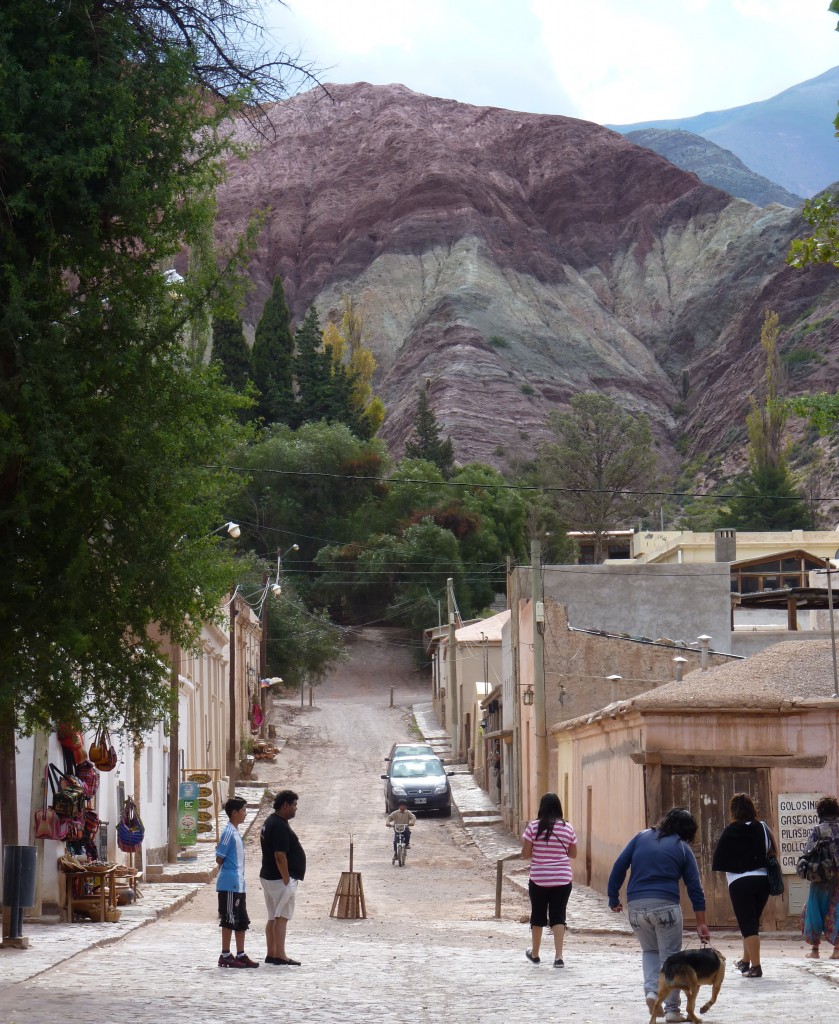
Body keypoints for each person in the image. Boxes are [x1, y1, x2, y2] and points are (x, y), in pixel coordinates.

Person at [608, 807, 710, 1024]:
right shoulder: (682, 847)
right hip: (666, 906)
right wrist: (701, 922)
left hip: (636, 907)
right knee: (671, 958)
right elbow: (695, 887)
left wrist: (613, 897)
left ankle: (652, 992)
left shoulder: (641, 837)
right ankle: (672, 1010)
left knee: (650, 951)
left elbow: (619, 865)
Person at [711, 792, 774, 978]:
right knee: (751, 923)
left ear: (733, 811)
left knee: (748, 925)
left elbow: (719, 857)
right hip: (762, 880)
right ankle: (745, 962)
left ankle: (756, 967)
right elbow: (772, 849)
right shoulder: (762, 827)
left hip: (740, 882)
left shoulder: (730, 830)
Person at [520, 792, 577, 968]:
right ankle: (558, 957)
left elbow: (525, 854)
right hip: (562, 879)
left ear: (541, 807)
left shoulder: (533, 827)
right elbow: (573, 854)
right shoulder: (568, 828)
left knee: (537, 915)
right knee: (558, 916)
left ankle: (535, 954)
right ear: (559, 807)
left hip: (539, 878)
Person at [260, 789, 306, 966]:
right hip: (279, 879)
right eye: (294, 805)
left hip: (269, 876)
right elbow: (280, 855)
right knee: (281, 917)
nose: (296, 808)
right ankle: (280, 954)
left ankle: (271, 953)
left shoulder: (271, 821)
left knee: (273, 916)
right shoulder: (278, 825)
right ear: (285, 805)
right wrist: (286, 878)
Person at [215, 796, 259, 968]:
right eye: (243, 810)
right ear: (234, 813)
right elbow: (219, 858)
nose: (245, 814)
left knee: (241, 920)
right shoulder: (228, 833)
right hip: (229, 884)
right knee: (229, 918)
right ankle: (225, 954)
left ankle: (241, 953)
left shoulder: (236, 832)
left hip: (239, 883)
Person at [800, 795, 839, 960]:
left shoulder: (818, 830)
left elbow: (807, 851)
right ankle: (837, 949)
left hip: (821, 875)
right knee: (836, 909)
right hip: (838, 876)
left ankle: (815, 950)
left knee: (813, 909)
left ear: (820, 812)